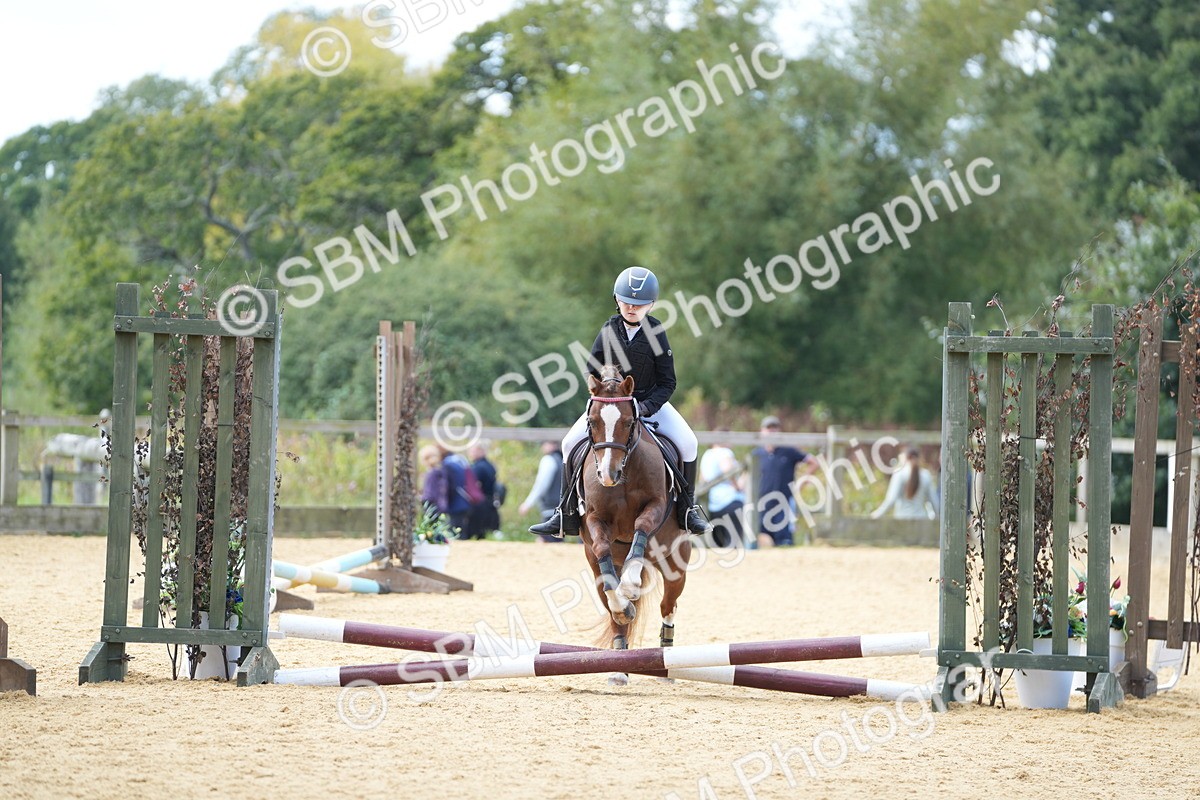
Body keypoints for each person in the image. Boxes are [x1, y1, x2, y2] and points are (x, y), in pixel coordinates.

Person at [529, 266, 711, 537]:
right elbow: (590, 370)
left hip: (649, 404)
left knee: (689, 443)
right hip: (610, 406)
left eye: (639, 304)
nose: (632, 308)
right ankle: (565, 512)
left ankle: (687, 509)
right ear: (617, 300)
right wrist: (600, 389)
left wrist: (645, 407)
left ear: (651, 305)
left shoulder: (656, 332)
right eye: (627, 302)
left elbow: (668, 383)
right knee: (568, 444)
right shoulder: (608, 329)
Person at [752, 415, 819, 547]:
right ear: (762, 431)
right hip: (762, 502)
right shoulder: (756, 454)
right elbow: (746, 475)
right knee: (761, 539)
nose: (772, 431)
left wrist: (801, 483)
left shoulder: (788, 451)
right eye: (769, 428)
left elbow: (814, 462)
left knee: (784, 541)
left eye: (775, 428)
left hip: (784, 501)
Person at [699, 434, 748, 548]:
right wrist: (737, 486)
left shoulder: (707, 454)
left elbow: (702, 479)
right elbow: (727, 470)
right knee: (734, 545)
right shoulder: (725, 452)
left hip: (713, 505)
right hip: (731, 501)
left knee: (717, 547)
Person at [871, 447, 939, 520]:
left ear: (905, 457)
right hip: (921, 520)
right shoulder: (926, 475)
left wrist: (876, 515)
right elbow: (934, 501)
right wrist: (937, 519)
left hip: (902, 520)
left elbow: (891, 500)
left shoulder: (899, 474)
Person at [519, 441, 565, 543]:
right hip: (562, 508)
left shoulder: (548, 460)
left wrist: (528, 503)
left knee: (545, 541)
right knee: (556, 541)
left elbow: (541, 485)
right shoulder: (562, 459)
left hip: (550, 509)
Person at [462, 442, 501, 539]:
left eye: (472, 450)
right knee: (481, 535)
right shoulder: (489, 465)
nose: (470, 453)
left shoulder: (478, 467)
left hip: (479, 505)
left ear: (481, 451)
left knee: (468, 534)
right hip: (489, 503)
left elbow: (472, 486)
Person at [439, 448, 473, 535]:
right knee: (461, 529)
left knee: (455, 531)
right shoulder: (460, 461)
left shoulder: (447, 465)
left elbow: (450, 486)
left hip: (455, 502)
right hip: (465, 500)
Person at [419, 444, 447, 516]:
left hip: (432, 507)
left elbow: (430, 494)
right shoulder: (440, 471)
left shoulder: (431, 474)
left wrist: (419, 498)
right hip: (441, 506)